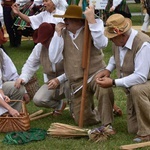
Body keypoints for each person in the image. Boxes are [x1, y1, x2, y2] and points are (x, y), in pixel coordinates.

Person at [51, 5, 115, 131]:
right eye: (64, 19)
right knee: (83, 120)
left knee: (104, 89)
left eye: (68, 19)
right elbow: (54, 58)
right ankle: (100, 113)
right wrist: (57, 34)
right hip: (77, 81)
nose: (65, 22)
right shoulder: (62, 34)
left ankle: (107, 124)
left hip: (96, 73)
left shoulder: (91, 29)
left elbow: (102, 43)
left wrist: (92, 22)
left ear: (79, 21)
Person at [95, 13, 150, 142]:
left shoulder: (143, 44)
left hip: (145, 84)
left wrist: (113, 82)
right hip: (136, 88)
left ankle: (147, 133)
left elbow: (141, 76)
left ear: (122, 35)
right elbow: (115, 57)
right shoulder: (119, 41)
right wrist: (108, 70)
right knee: (132, 129)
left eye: (112, 38)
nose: (110, 40)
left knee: (137, 89)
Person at [15, 22, 68, 116]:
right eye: (42, 41)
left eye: (46, 40)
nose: (44, 43)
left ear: (53, 37)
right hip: (52, 83)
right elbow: (30, 65)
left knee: (71, 89)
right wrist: (23, 78)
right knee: (38, 100)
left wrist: (59, 80)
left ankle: (75, 107)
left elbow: (74, 69)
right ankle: (59, 105)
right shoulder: (39, 48)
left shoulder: (64, 45)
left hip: (69, 80)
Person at [0, 47, 27, 117]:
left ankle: (11, 117)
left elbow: (12, 73)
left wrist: (3, 96)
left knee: (18, 87)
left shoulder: (1, 52)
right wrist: (9, 108)